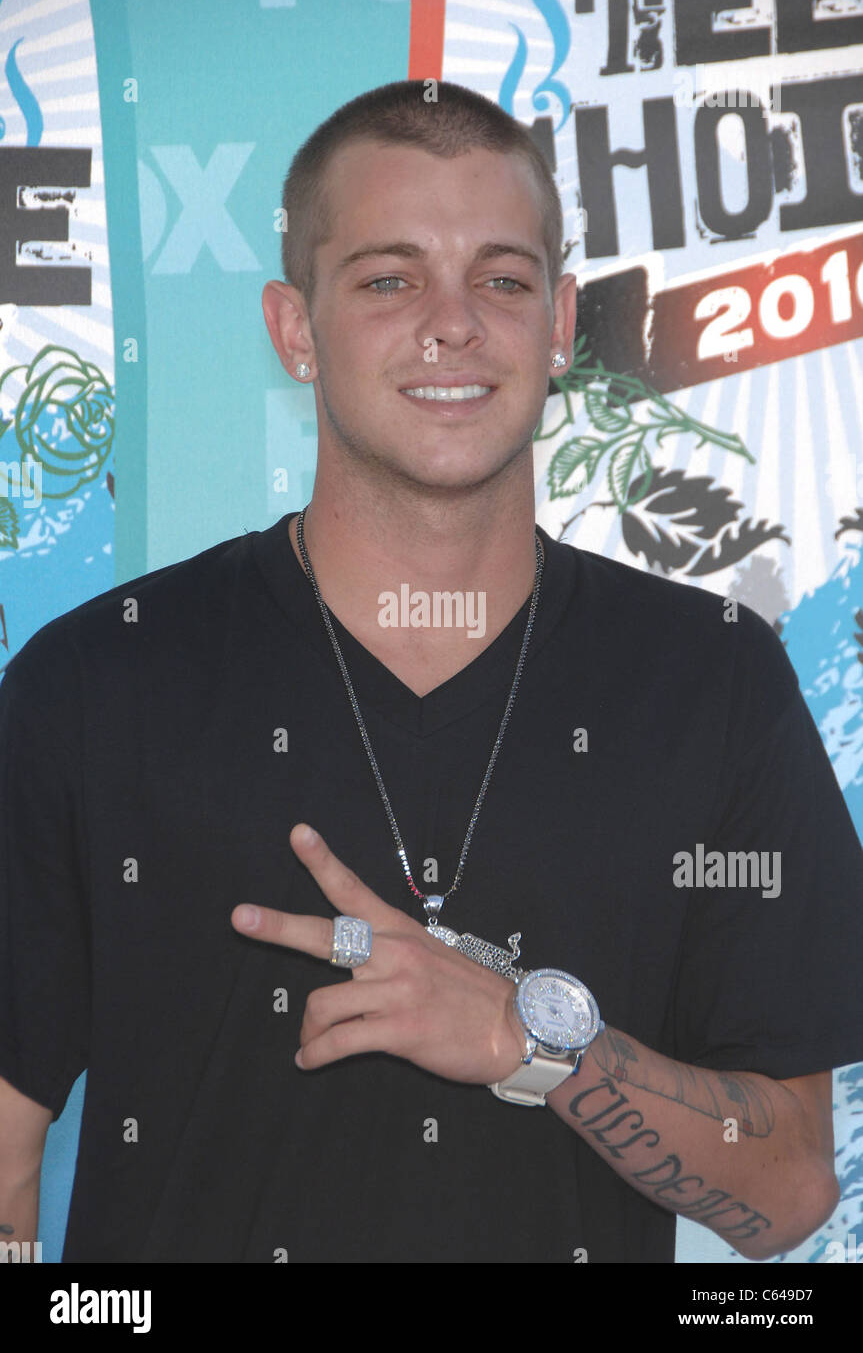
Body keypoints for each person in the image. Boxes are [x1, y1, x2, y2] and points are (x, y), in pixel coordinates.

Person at [1, 79, 862, 1265]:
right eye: (387, 280)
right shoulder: (95, 680)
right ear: (294, 329)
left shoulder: (712, 681)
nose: (451, 324)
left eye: (500, 280)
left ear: (559, 322)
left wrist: (529, 1042)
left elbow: (788, 1193)